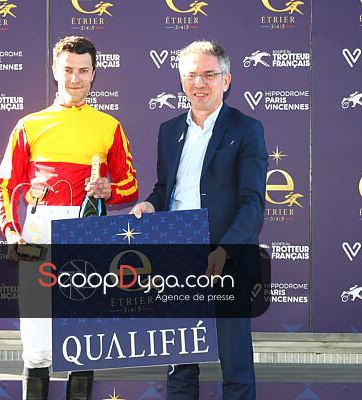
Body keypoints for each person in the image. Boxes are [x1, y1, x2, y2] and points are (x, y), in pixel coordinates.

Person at [0, 36, 138, 400]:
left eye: (83, 71)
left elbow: (130, 186)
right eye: (68, 70)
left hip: (87, 231)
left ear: (94, 74)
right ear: (55, 71)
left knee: (83, 339)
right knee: (37, 343)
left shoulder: (109, 126)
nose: (75, 79)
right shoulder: (29, 125)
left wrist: (109, 190)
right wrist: (12, 232)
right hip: (39, 232)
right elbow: (6, 185)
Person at [131, 40, 267, 400]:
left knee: (235, 365)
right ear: (181, 81)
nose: (199, 83)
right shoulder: (168, 130)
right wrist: (149, 206)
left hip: (227, 259)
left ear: (226, 80)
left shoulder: (247, 128)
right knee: (179, 364)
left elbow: (252, 203)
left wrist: (225, 250)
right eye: (191, 76)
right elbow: (165, 188)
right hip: (176, 255)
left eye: (209, 75)